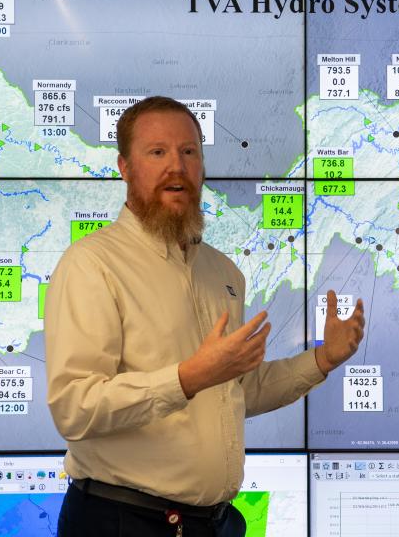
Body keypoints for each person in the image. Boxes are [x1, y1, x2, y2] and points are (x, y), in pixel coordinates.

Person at [45, 96, 365, 537]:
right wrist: (188, 378)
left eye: (189, 152)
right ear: (124, 167)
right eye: (157, 152)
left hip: (215, 524)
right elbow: (74, 408)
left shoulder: (222, 272)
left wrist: (322, 360)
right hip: (122, 522)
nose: (176, 166)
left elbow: (235, 393)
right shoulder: (91, 265)